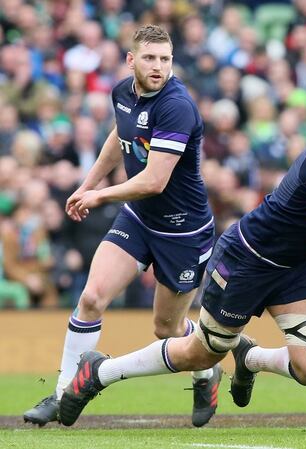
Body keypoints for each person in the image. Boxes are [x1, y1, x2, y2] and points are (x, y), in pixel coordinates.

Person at [56, 77, 306, 427]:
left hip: (294, 265)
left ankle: (249, 358)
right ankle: (100, 372)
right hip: (249, 259)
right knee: (203, 353)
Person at [23, 25, 222, 428]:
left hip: (183, 231)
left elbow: (154, 181)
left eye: (165, 59)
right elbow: (120, 137)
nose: (159, 67)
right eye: (150, 58)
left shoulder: (177, 106)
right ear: (131, 60)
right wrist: (88, 183)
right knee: (92, 297)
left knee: (165, 328)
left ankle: (206, 371)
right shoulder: (122, 93)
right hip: (138, 217)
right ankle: (61, 393)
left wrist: (99, 196)